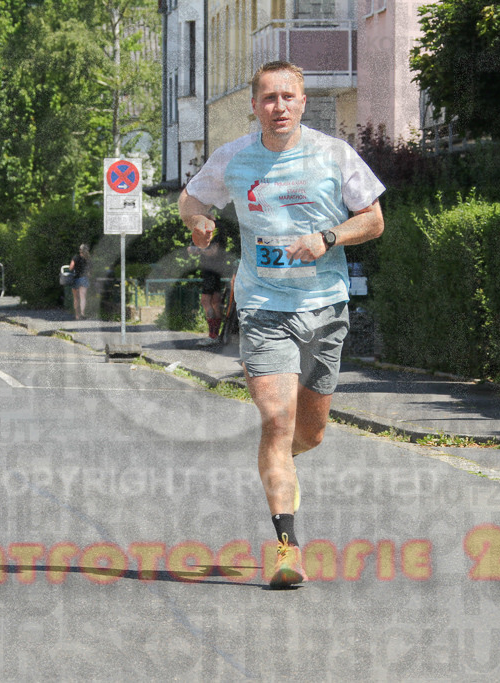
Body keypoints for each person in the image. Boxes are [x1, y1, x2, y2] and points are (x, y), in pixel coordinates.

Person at [178, 61, 386, 588]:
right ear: (254, 106)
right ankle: (286, 548)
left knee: (308, 434)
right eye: (269, 98)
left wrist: (328, 238)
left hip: (324, 307)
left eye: (288, 97)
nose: (279, 107)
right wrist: (199, 220)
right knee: (276, 422)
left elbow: (374, 219)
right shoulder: (234, 157)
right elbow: (191, 197)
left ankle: (283, 465)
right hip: (263, 307)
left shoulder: (334, 154)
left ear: (302, 102)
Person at [187, 230, 228, 346]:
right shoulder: (207, 229)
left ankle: (213, 335)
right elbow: (190, 249)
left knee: (206, 301)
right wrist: (197, 249)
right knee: (215, 302)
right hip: (213, 270)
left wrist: (199, 250)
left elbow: (213, 251)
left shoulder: (215, 230)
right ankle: (215, 335)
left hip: (211, 271)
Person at [69, 243, 91, 320]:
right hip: (84, 279)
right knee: (83, 297)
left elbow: (71, 268)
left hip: (76, 279)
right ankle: (82, 314)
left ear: (80, 250)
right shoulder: (88, 259)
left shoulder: (76, 257)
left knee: (76, 298)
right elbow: (89, 272)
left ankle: (77, 315)